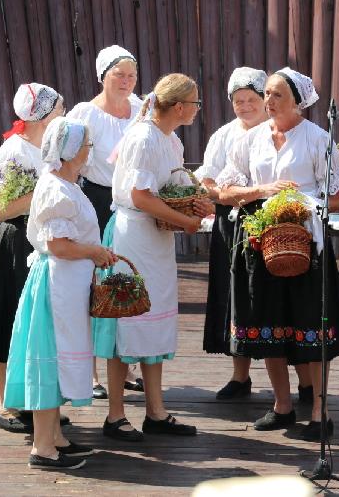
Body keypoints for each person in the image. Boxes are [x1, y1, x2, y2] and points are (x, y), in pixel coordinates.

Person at [216, 67, 339, 441]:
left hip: (304, 238)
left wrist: (298, 201)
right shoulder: (248, 140)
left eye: (276, 95)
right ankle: (282, 406)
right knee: (266, 319)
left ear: (298, 100)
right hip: (260, 239)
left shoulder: (318, 139)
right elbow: (225, 191)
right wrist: (262, 191)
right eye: (267, 94)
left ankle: (321, 411)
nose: (267, 101)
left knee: (309, 322)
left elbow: (338, 197)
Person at [98, 73, 213, 441]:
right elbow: (141, 195)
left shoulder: (170, 139)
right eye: (195, 102)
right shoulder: (144, 137)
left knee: (153, 320)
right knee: (126, 319)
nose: (197, 109)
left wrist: (195, 203)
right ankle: (115, 415)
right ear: (179, 106)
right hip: (132, 236)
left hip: (156, 238)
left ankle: (155, 412)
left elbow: (169, 187)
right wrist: (185, 222)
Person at [4, 116, 117, 469]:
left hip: (68, 283)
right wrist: (95, 252)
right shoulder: (55, 188)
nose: (89, 151)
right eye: (86, 145)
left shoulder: (68, 184)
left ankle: (55, 437)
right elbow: (59, 245)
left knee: (60, 357)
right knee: (49, 360)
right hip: (55, 284)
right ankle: (42, 448)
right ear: (70, 151)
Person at [0, 83, 65, 433]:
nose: (64, 112)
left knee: (40, 323)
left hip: (46, 241)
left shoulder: (53, 146)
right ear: (42, 114)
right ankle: (6, 404)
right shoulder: (14, 151)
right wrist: (45, 190)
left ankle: (36, 405)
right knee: (11, 318)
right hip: (17, 245)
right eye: (59, 107)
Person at [67, 45, 144, 400]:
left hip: (132, 201)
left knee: (128, 276)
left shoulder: (142, 109)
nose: (126, 81)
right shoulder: (85, 113)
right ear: (102, 77)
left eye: (131, 75)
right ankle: (93, 373)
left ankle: (124, 365)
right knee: (94, 281)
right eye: (119, 74)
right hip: (97, 199)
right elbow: (71, 160)